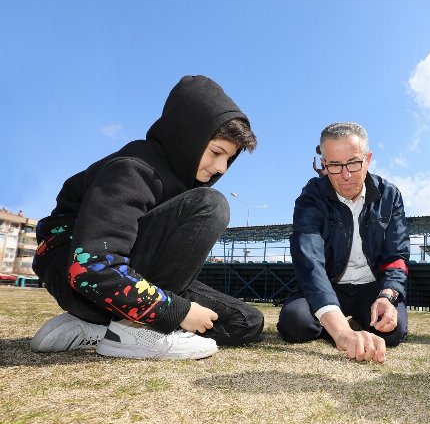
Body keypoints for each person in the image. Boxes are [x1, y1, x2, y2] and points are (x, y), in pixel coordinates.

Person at [30, 75, 264, 360]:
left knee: (246, 321)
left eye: (229, 159)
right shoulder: (131, 169)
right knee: (211, 204)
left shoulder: (180, 182)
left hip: (125, 286)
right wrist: (174, 311)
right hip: (80, 282)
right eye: (217, 152)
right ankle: (135, 331)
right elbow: (89, 268)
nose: (222, 168)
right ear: (188, 136)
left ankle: (100, 328)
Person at [277, 122, 410, 363]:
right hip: (328, 283)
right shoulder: (310, 197)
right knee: (294, 324)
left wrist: (388, 296)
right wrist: (342, 333)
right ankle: (339, 324)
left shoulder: (391, 196)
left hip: (372, 286)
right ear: (324, 165)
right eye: (335, 166)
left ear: (368, 159)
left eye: (353, 163)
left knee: (393, 330)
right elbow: (310, 263)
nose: (346, 175)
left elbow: (397, 256)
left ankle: (352, 320)